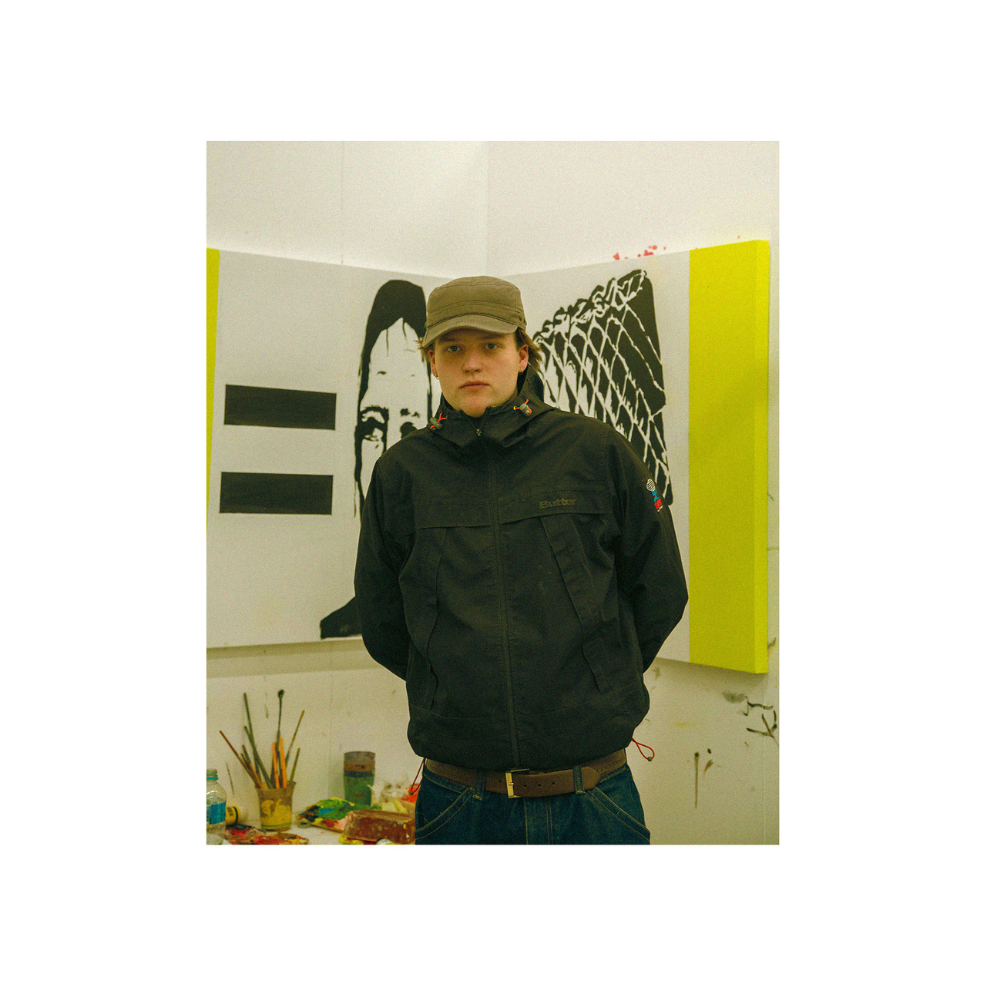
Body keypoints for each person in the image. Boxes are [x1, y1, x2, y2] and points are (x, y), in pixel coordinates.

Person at [354, 275, 687, 843]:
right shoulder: (399, 475)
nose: (472, 364)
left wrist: (598, 679)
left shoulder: (597, 452)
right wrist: (450, 686)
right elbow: (383, 621)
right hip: (458, 802)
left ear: (522, 353)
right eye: (453, 349)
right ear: (432, 362)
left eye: (490, 345)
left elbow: (661, 590)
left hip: (593, 796)